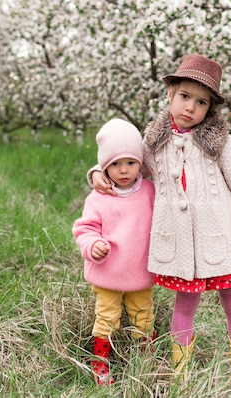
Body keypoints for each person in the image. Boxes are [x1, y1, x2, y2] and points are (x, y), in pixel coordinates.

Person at [89, 54, 231, 380]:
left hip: (223, 242)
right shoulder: (153, 144)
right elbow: (124, 165)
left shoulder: (220, 143)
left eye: (201, 102)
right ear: (170, 94)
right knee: (184, 306)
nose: (190, 107)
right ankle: (181, 373)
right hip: (182, 249)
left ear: (209, 108)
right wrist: (97, 172)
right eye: (185, 96)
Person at [72, 118, 156, 386]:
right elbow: (85, 228)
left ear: (140, 163)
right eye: (115, 164)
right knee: (107, 317)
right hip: (108, 272)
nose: (123, 170)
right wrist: (91, 245)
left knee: (143, 314)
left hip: (140, 271)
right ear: (104, 166)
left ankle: (145, 357)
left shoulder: (149, 191)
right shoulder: (99, 197)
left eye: (130, 163)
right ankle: (101, 363)